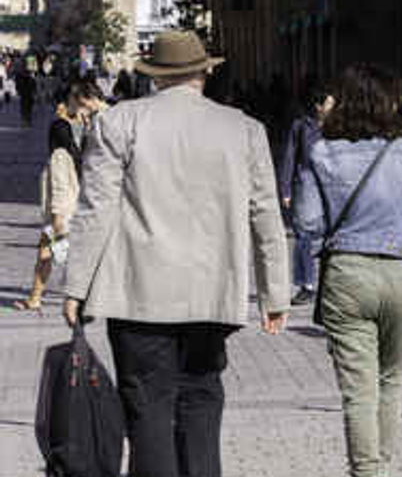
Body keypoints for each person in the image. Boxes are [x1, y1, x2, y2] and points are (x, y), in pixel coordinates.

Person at [61, 30, 291, 477]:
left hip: (139, 295)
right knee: (202, 397)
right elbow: (265, 216)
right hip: (211, 294)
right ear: (204, 73)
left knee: (147, 406)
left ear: (155, 76)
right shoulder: (244, 129)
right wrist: (274, 293)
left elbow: (96, 209)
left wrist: (77, 287)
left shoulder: (119, 123)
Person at [293, 64, 402, 477]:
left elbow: (307, 223)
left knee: (358, 391)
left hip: (347, 273)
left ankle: (367, 472)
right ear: (389, 103)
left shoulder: (321, 153)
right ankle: (380, 468)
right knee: (391, 380)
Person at [13, 81, 108, 311]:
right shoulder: (62, 129)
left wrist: (88, 128)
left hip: (77, 195)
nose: (82, 107)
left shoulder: (83, 126)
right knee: (51, 246)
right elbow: (74, 160)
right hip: (72, 193)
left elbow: (84, 158)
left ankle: (41, 297)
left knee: (53, 248)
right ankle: (38, 297)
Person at [277, 78, 335, 305]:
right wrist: (285, 189)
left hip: (332, 182)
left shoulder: (338, 126)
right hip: (307, 182)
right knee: (303, 234)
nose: (332, 108)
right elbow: (290, 156)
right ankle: (306, 285)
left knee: (332, 235)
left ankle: (331, 283)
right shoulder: (301, 125)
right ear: (318, 106)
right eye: (329, 104)